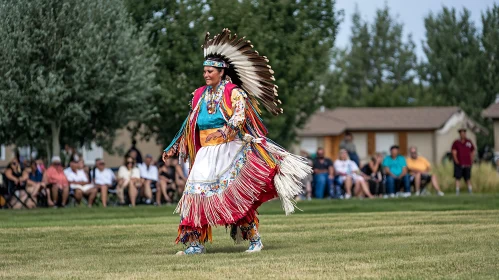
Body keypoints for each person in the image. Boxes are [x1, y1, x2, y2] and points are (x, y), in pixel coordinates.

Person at [162, 29, 311, 255]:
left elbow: (240, 116)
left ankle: (254, 239)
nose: (206, 74)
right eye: (204, 71)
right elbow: (190, 123)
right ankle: (194, 243)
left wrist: (225, 131)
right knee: (194, 195)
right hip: (205, 153)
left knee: (234, 196)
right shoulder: (199, 95)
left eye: (210, 71)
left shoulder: (234, 93)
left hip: (228, 150)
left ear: (221, 72)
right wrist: (174, 146)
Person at [451, 128, 475, 195]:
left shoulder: (469, 142)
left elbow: (472, 151)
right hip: (459, 163)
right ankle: (457, 191)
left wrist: (471, 160)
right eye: (461, 133)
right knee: (458, 178)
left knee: (467, 178)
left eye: (464, 133)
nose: (463, 134)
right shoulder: (456, 143)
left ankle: (470, 190)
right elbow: (454, 152)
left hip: (467, 163)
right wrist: (456, 161)